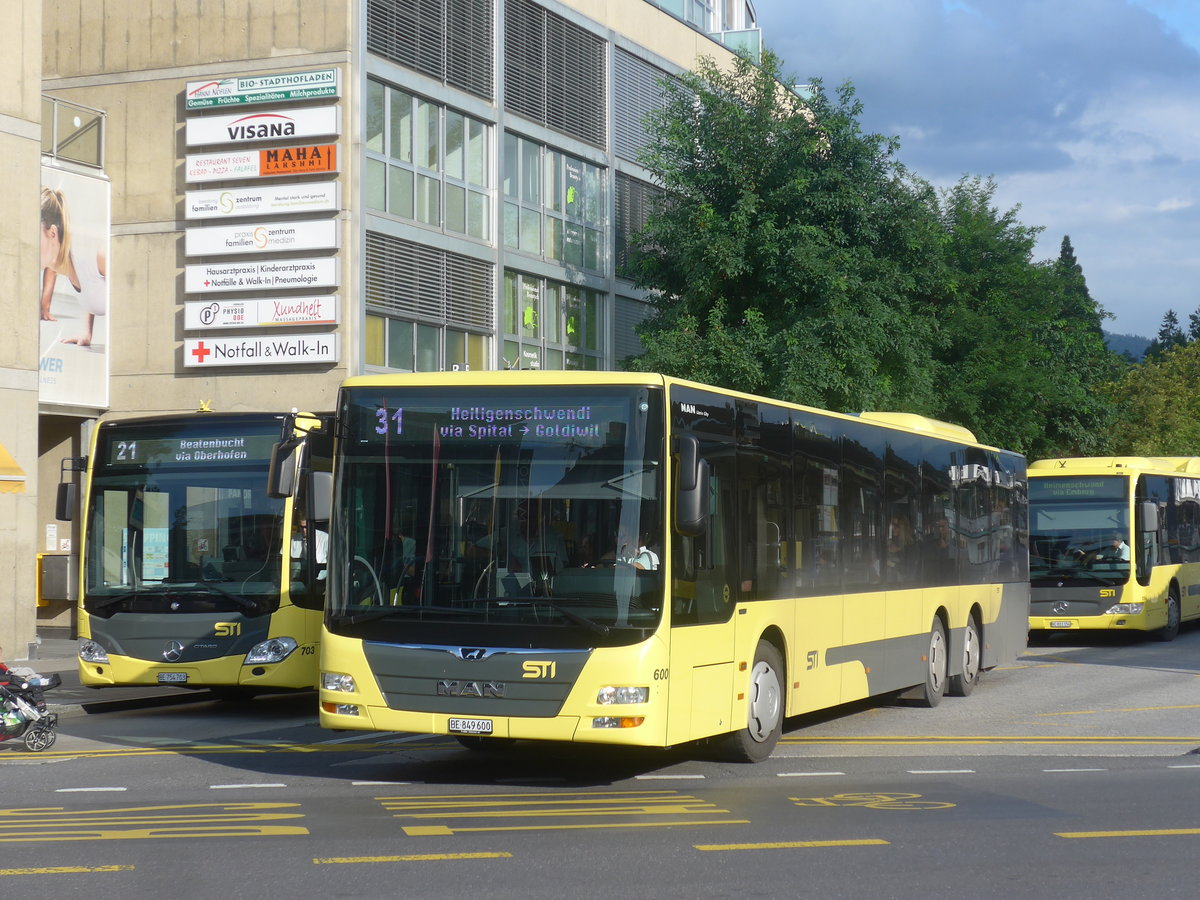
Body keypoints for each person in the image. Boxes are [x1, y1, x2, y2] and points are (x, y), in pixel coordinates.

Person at [40, 186, 108, 346]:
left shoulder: (98, 255)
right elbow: (91, 287)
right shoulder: (62, 262)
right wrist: (87, 333)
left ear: (52, 234)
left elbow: (131, 297)